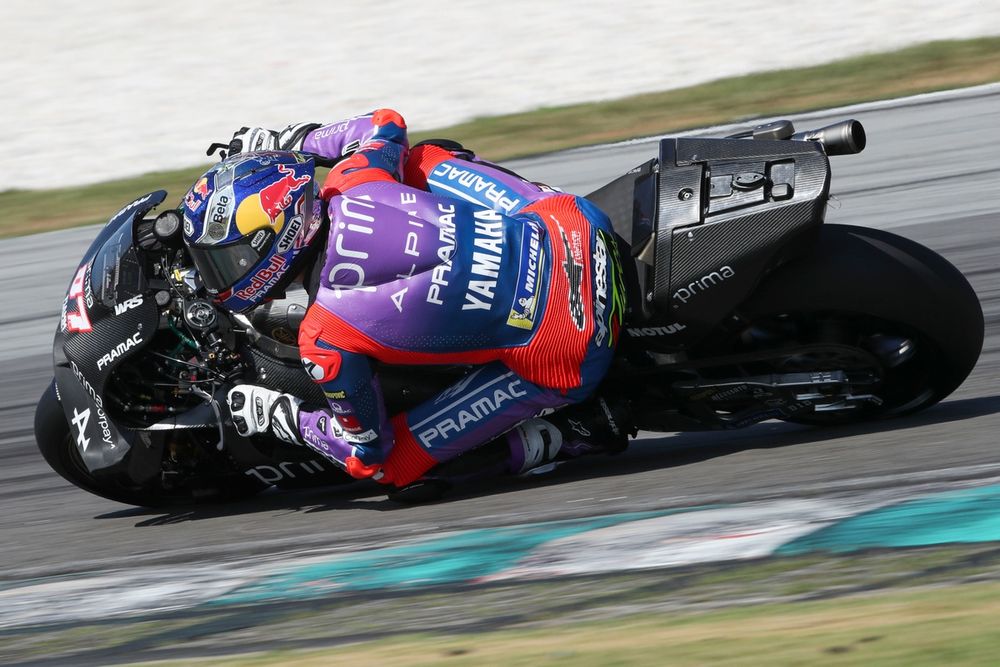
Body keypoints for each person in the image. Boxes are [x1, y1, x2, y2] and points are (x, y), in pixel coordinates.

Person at [181, 109, 631, 494]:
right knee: (420, 158)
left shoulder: (324, 336)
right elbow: (386, 122)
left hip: (569, 343)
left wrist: (283, 417)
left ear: (275, 238)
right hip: (575, 227)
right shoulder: (352, 179)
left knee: (394, 471)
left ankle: (568, 433)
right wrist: (292, 139)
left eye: (226, 259)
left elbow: (367, 454)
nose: (218, 275)